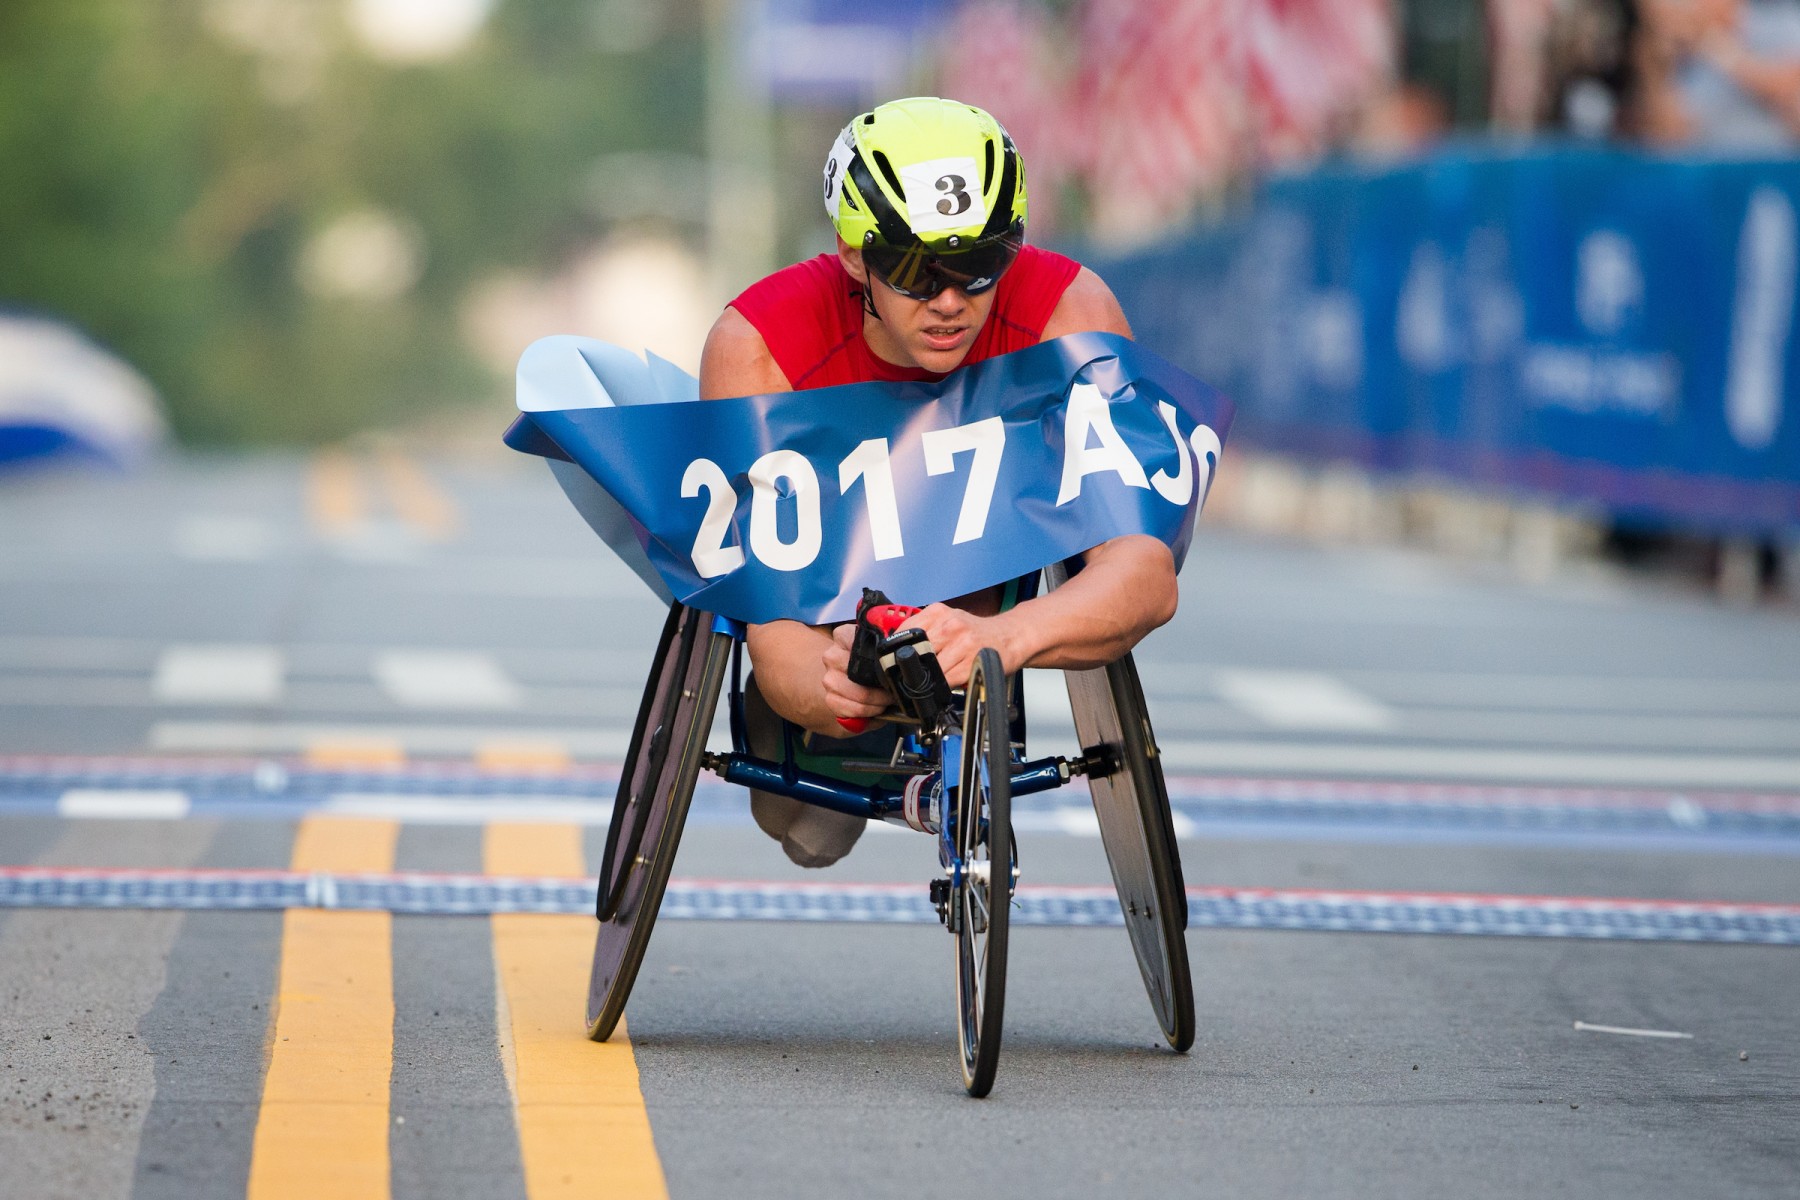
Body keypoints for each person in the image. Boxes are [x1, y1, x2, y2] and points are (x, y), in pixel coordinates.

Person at [698, 96, 1179, 866]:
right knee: (810, 834)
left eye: (980, 265)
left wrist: (996, 640)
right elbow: (770, 621)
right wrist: (824, 694)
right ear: (855, 256)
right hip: (829, 609)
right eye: (916, 271)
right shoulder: (759, 344)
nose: (951, 301)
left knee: (816, 828)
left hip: (990, 609)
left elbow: (1145, 575)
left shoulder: (1070, 314)